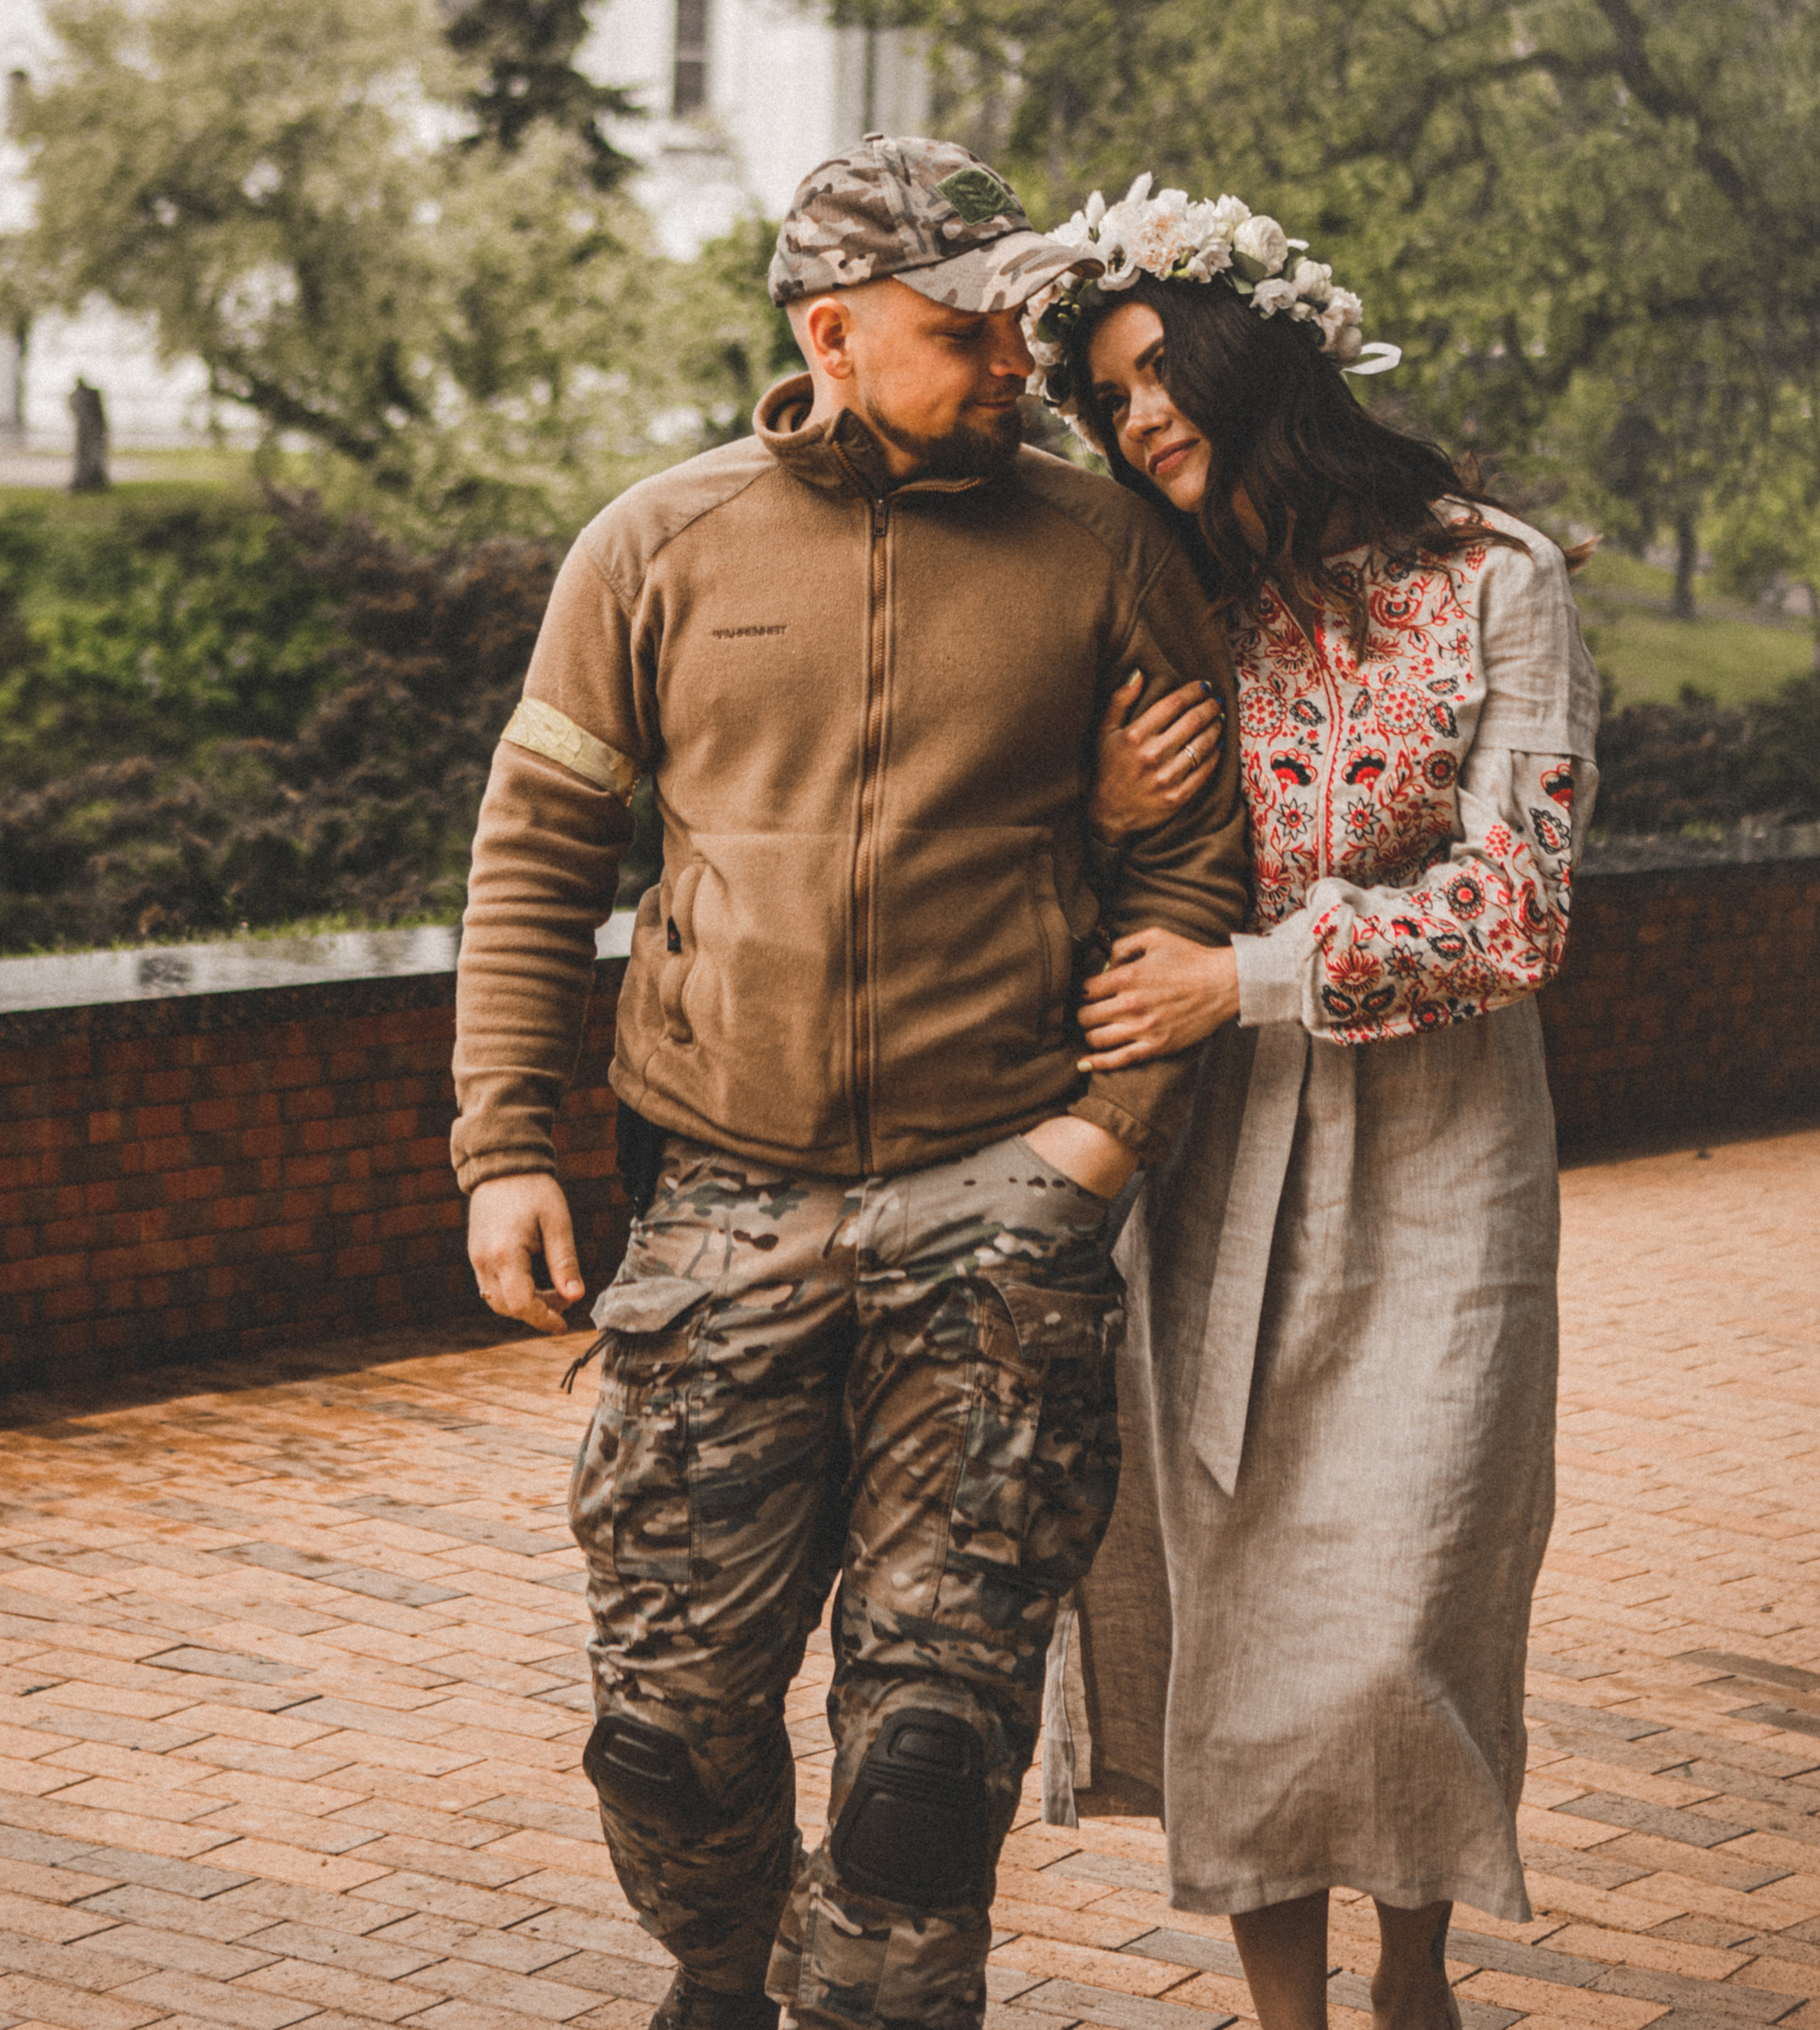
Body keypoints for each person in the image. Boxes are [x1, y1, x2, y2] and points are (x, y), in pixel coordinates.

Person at [452, 134, 1247, 2030]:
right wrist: (503, 1144)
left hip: (999, 1205)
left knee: (922, 1759)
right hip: (717, 1202)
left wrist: (1092, 1144)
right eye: (968, 324)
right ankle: (720, 1972)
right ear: (832, 330)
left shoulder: (1101, 546)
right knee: (662, 1729)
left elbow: (1193, 864)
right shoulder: (653, 545)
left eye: (1020, 320)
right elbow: (536, 851)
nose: (1014, 358)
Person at [1027, 179, 1598, 2030]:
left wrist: (1250, 973)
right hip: (1210, 1167)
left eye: (1146, 373)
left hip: (1440, 1158)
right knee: (1242, 1606)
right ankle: (1285, 2014)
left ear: (1244, 351)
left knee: (1409, 1598)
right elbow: (1063, 874)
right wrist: (1112, 817)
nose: (1131, 419)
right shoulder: (1156, 594)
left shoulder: (1497, 578)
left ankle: (1410, 1976)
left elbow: (1517, 908)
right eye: (1104, 395)